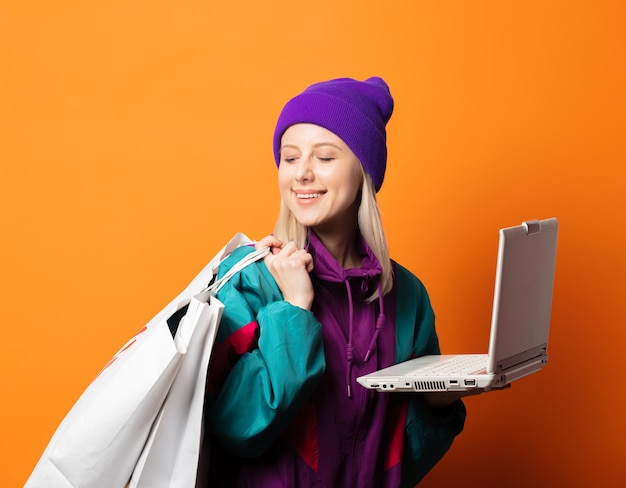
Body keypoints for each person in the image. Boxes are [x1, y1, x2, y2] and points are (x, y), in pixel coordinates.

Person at [201, 77, 487, 487]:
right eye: (290, 157)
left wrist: (437, 404)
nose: (301, 174)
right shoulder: (252, 279)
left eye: (324, 157)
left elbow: (401, 463)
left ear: (364, 172)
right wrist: (295, 309)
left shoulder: (406, 296)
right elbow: (236, 429)